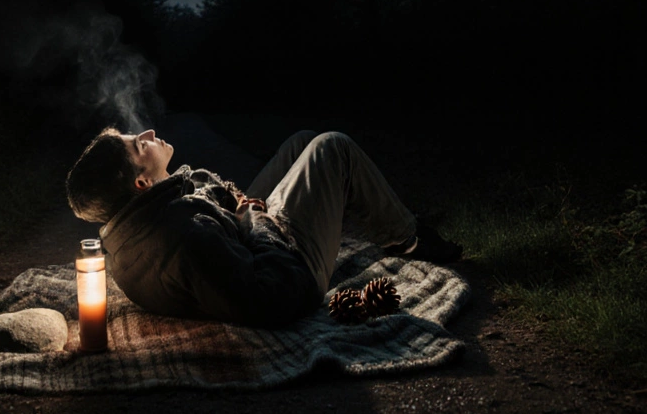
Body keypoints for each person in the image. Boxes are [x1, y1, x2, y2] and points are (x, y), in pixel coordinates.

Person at [65, 127, 463, 328]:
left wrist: (238, 209)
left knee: (299, 142)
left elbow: (206, 223)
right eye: (139, 145)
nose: (148, 134)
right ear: (141, 183)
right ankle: (408, 239)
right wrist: (255, 218)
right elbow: (274, 294)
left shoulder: (137, 226)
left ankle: (394, 216)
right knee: (330, 146)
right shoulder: (186, 237)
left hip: (240, 235)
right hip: (292, 268)